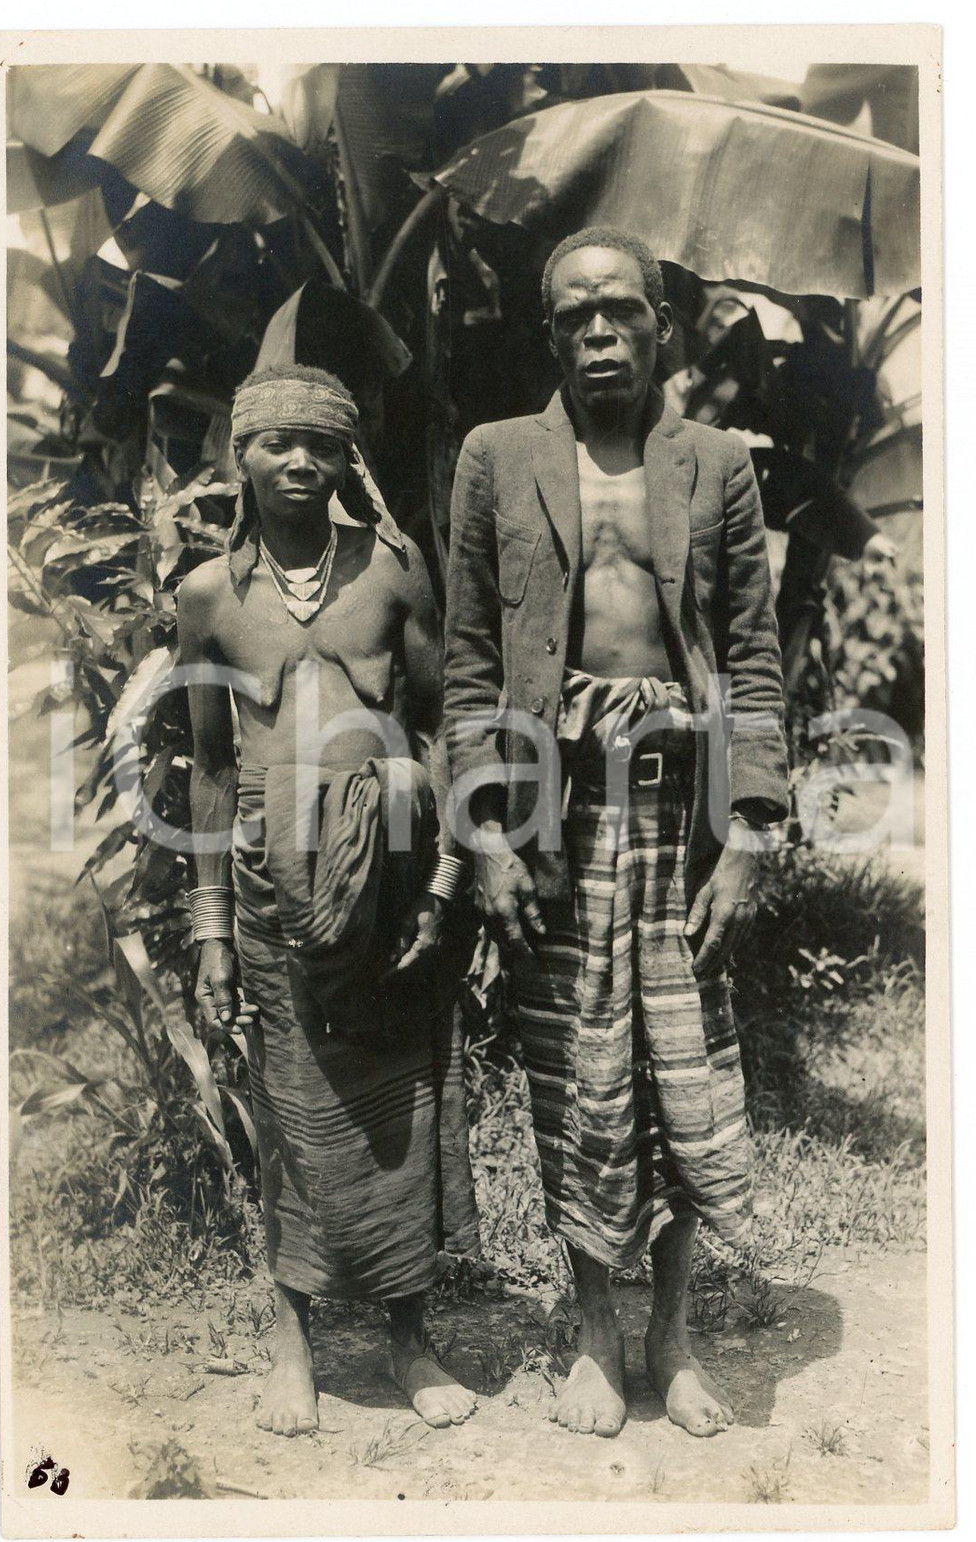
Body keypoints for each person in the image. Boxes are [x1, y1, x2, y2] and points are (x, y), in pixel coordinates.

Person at [444, 228, 789, 1440]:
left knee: (684, 1072)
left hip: (681, 811)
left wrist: (749, 831)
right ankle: (596, 1334)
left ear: (660, 326)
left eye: (621, 311)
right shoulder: (496, 457)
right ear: (551, 335)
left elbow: (751, 654)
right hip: (556, 806)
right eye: (575, 316)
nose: (599, 333)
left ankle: (672, 1338)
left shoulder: (715, 464)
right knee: (576, 1074)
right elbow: (470, 658)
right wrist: (485, 833)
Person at [177, 364, 479, 1437]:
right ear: (242, 458)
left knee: (400, 1107)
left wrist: (443, 880)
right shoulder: (209, 598)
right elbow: (213, 767)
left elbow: (438, 726)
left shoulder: (392, 572)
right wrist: (213, 933)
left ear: (350, 459)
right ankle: (292, 1341)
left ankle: (410, 1338)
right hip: (273, 884)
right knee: (292, 1109)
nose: (301, 461)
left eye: (322, 443)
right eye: (278, 443)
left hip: (391, 873)